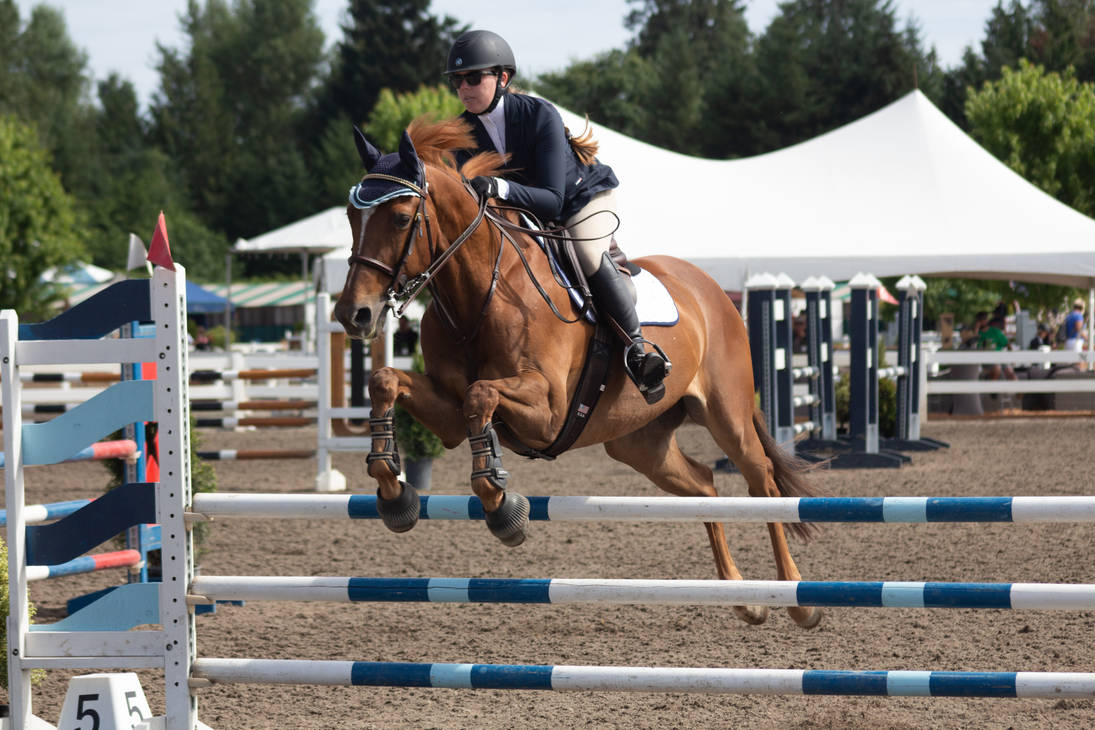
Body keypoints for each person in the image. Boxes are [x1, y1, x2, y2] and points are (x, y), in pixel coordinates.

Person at [443, 29, 670, 403]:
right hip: (524, 215)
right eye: (457, 81)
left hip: (578, 202)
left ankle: (638, 352)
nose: (464, 87)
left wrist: (498, 189)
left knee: (585, 255)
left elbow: (551, 201)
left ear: (502, 78)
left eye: (473, 77)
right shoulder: (460, 134)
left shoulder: (539, 114)